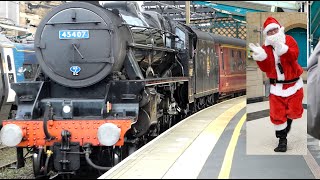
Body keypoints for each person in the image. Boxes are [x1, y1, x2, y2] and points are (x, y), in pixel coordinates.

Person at [248, 17, 304, 152]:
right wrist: (261, 59)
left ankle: (287, 123)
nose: (273, 33)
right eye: (270, 31)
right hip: (276, 88)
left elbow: (294, 56)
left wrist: (282, 49)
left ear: (279, 29)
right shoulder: (265, 48)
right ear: (266, 34)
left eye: (275, 30)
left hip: (294, 85)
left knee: (294, 112)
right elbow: (266, 68)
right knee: (277, 115)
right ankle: (282, 141)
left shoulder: (289, 40)